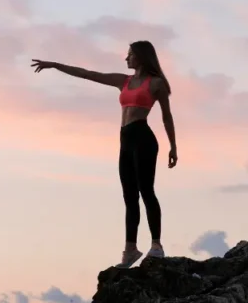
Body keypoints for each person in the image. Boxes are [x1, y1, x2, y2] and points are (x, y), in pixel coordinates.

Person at [31, 41, 177, 268]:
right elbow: (88, 74)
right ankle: (130, 249)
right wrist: (54, 65)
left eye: (130, 54)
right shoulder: (124, 81)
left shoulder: (156, 83)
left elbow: (167, 116)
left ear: (140, 57)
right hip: (125, 140)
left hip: (143, 139)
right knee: (129, 196)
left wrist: (173, 146)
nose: (126, 58)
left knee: (146, 191)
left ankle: (156, 245)